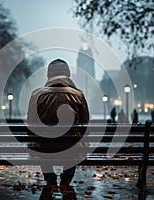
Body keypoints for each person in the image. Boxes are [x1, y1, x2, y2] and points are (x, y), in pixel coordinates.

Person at [27, 59, 90, 188]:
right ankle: (65, 181)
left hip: (45, 148)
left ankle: (50, 180)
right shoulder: (78, 95)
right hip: (71, 150)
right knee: (74, 144)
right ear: (68, 74)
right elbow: (85, 124)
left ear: (49, 75)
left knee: (42, 144)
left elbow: (31, 124)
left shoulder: (36, 95)